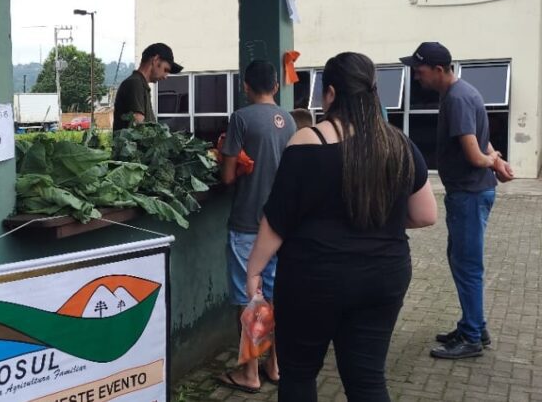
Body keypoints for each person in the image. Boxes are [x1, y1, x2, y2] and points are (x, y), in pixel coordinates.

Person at [246, 52, 437, 401]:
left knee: (300, 374)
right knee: (367, 379)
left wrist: (254, 270)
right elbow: (426, 214)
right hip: (383, 277)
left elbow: (277, 221)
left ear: (330, 93)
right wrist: (378, 216)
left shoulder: (307, 142)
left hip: (314, 278)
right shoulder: (399, 143)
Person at [400, 42, 514, 359]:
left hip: (469, 193)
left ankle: (472, 337)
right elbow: (483, 142)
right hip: (470, 192)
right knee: (461, 260)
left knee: (467, 265)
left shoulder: (458, 99)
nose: (416, 77)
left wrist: (491, 161)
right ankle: (473, 323)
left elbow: (474, 155)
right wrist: (496, 159)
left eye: (419, 71)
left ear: (439, 70)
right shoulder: (461, 93)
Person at [216, 60, 296, 394]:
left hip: (248, 222)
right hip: (281, 224)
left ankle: (250, 372)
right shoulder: (290, 121)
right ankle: (275, 366)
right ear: (276, 86)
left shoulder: (241, 118)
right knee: (275, 297)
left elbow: (229, 177)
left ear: (246, 86)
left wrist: (226, 159)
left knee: (251, 298)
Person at [112, 43, 183, 131]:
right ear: (155, 60)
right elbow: (140, 126)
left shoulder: (141, 84)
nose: (165, 76)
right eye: (166, 70)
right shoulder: (135, 83)